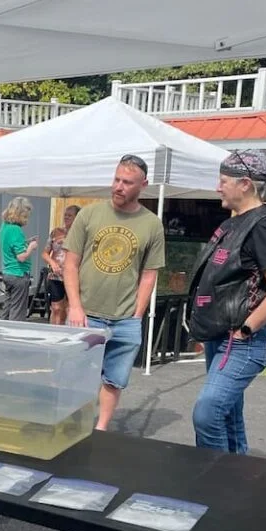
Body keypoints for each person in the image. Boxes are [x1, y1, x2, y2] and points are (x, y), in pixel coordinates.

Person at [189, 150, 266, 453]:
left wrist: (247, 329)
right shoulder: (235, 221)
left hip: (245, 338)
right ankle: (236, 484)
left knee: (208, 412)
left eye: (223, 181)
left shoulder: (264, 224)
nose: (217, 187)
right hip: (221, 335)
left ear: (245, 183)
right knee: (229, 415)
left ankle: (216, 484)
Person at [64, 155, 165, 431]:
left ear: (142, 185)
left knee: (114, 380)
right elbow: (70, 264)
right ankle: (73, 426)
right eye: (116, 179)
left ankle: (101, 430)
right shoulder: (89, 214)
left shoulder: (152, 224)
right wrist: (75, 306)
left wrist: (137, 314)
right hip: (86, 315)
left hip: (125, 319)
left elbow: (149, 273)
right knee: (75, 377)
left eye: (127, 182)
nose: (119, 186)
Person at [0, 197, 38, 320]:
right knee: (17, 311)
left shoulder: (5, 226)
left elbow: (12, 246)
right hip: (18, 274)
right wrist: (31, 247)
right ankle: (13, 335)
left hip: (8, 273)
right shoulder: (16, 230)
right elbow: (21, 257)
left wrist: (25, 242)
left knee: (8, 307)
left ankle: (1, 333)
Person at [41, 227, 68, 326]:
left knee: (67, 308)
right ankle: (54, 332)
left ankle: (64, 330)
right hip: (56, 276)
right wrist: (52, 262)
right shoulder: (56, 232)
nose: (67, 217)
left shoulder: (78, 232)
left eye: (70, 215)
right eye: (65, 215)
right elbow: (44, 253)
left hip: (72, 276)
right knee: (56, 308)